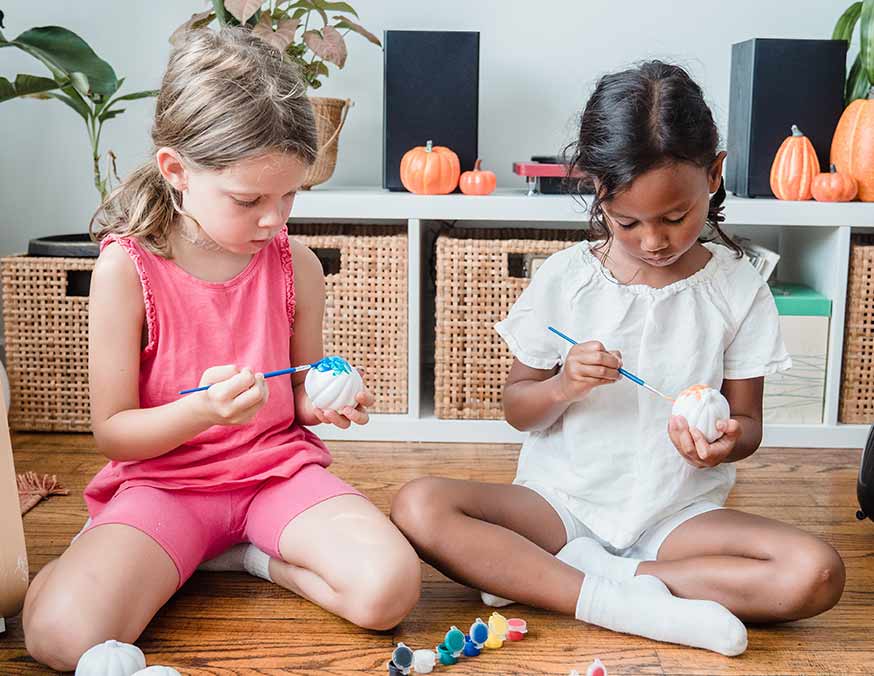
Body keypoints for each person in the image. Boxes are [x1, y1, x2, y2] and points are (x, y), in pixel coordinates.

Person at [390, 61, 844, 656]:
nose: (653, 241)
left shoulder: (737, 288)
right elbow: (517, 409)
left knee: (817, 572)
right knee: (418, 504)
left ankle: (597, 583)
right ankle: (614, 602)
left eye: (675, 218)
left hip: (678, 518)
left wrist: (726, 440)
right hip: (560, 506)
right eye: (627, 221)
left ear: (714, 174)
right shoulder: (566, 280)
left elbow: (749, 424)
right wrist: (562, 387)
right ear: (597, 191)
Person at [23, 27, 420, 671]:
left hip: (274, 477)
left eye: (290, 195)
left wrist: (324, 400)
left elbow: (294, 394)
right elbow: (114, 434)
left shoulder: (298, 266)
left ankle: (254, 559)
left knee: (388, 592)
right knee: (62, 639)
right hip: (165, 487)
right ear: (176, 170)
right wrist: (202, 412)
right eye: (249, 200)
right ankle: (124, 559)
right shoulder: (126, 271)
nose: (275, 220)